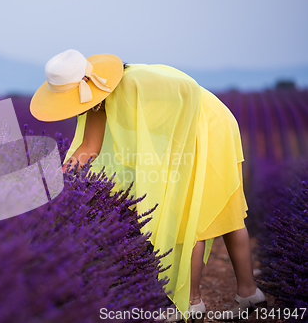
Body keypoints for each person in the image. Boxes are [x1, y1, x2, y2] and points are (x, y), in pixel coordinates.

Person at [30, 49, 266, 322]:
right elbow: (88, 148)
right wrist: (56, 182)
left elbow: (188, 89)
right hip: (186, 133)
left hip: (207, 127)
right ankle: (250, 294)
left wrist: (167, 161)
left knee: (190, 216)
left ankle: (190, 303)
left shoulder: (135, 81)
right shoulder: (96, 99)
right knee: (213, 211)